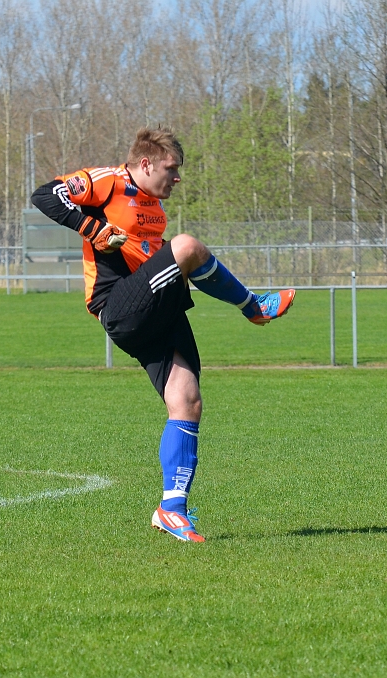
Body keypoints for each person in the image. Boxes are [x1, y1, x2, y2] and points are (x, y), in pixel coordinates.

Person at [31, 127, 294, 543]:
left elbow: (147, 250)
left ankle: (171, 509)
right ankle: (253, 306)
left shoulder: (152, 204)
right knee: (187, 246)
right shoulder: (107, 181)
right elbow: (45, 195)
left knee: (187, 401)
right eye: (172, 169)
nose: (177, 177)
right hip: (118, 304)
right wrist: (91, 228)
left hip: (154, 304)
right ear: (147, 163)